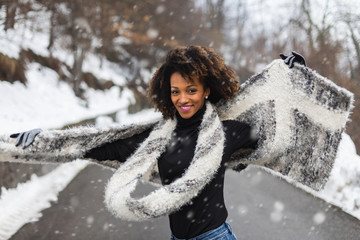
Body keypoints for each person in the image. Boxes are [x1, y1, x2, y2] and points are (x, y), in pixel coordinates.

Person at [10, 46, 305, 240]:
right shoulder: (156, 139)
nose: (183, 98)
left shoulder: (226, 132)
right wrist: (43, 140)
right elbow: (95, 143)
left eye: (191, 90)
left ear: (205, 91)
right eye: (176, 91)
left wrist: (291, 78)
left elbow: (278, 132)